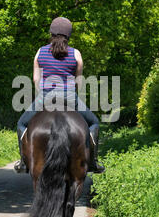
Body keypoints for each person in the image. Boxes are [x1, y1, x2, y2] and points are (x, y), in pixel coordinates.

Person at [14, 16, 105, 174]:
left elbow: (36, 79)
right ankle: (93, 162)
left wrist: (42, 95)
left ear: (51, 33)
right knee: (94, 123)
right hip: (69, 97)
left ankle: (23, 161)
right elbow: (78, 82)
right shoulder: (75, 54)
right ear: (68, 35)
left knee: (21, 123)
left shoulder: (40, 52)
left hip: (46, 97)